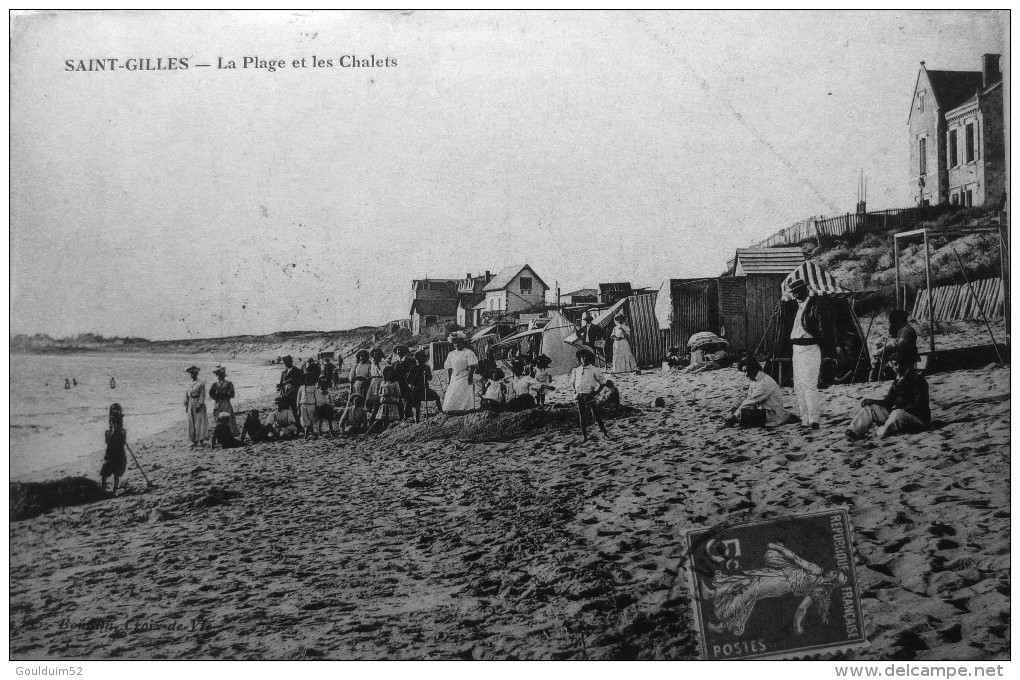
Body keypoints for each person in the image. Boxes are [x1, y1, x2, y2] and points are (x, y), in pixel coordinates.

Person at [700, 542, 847, 637]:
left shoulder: (817, 571)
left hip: (781, 581)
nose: (832, 571)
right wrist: (797, 624)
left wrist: (778, 548)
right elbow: (802, 608)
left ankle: (723, 620)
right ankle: (714, 593)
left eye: (835, 573)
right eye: (835, 570)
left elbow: (796, 559)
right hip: (780, 579)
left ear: (831, 579)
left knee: (748, 593)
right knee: (745, 582)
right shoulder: (820, 590)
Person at [846, 350, 930, 441]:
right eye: (895, 364)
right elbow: (888, 401)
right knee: (871, 408)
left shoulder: (917, 380)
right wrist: (871, 401)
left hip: (917, 418)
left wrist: (900, 408)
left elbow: (920, 405)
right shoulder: (897, 381)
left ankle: (880, 432)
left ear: (906, 364)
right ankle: (855, 431)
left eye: (900, 364)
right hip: (898, 413)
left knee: (897, 414)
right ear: (891, 365)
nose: (897, 367)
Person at [788, 278, 827, 430]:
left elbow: (823, 329)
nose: (795, 295)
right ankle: (805, 420)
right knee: (798, 385)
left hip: (809, 348)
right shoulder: (799, 307)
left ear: (805, 290)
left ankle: (814, 420)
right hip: (797, 349)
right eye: (794, 293)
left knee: (809, 384)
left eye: (798, 292)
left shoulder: (815, 306)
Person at [724, 356, 793, 428]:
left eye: (747, 371)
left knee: (744, 415)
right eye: (744, 372)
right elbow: (748, 397)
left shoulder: (765, 382)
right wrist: (735, 406)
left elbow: (751, 401)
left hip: (773, 414)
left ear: (754, 368)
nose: (746, 374)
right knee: (737, 407)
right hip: (763, 411)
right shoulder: (755, 381)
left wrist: (734, 417)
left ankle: (788, 418)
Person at [570, 346, 610, 441]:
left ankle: (605, 433)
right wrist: (575, 391)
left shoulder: (594, 369)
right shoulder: (576, 370)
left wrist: (596, 392)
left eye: (586, 356)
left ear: (589, 358)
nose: (584, 358)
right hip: (579, 395)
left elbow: (602, 382)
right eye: (582, 357)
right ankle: (584, 436)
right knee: (582, 417)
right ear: (579, 358)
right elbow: (572, 382)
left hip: (589, 395)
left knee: (596, 415)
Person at [871, 309, 919, 380]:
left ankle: (885, 376)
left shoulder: (906, 330)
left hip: (907, 354)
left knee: (882, 357)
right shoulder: (903, 329)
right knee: (880, 355)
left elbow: (901, 344)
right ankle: (882, 374)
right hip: (904, 352)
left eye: (893, 322)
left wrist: (886, 347)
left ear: (898, 321)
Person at [443, 332, 479, 412]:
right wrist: (449, 379)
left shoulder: (468, 352)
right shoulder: (451, 354)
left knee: (464, 392)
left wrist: (470, 377)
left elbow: (472, 366)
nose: (456, 344)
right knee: (452, 392)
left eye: (459, 342)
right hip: (454, 376)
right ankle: (452, 409)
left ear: (463, 343)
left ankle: (464, 409)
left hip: (465, 375)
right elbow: (448, 368)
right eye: (455, 343)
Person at [406, 350, 443, 422]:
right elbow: (408, 381)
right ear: (417, 359)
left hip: (426, 389)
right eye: (420, 358)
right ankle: (417, 421)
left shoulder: (427, 367)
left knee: (437, 397)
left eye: (423, 358)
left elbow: (430, 378)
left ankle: (442, 414)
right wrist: (412, 387)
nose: (422, 360)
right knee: (417, 406)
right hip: (416, 390)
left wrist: (427, 374)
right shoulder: (413, 368)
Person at [101, 404, 127, 494]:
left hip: (119, 455)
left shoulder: (122, 431)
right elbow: (108, 442)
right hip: (110, 455)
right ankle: (103, 489)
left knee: (116, 474)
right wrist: (112, 433)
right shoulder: (108, 432)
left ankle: (114, 492)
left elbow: (122, 443)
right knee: (104, 473)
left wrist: (117, 433)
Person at [368, 366, 403, 433]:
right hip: (384, 403)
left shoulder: (395, 382)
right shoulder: (383, 382)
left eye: (390, 374)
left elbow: (399, 393)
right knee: (382, 419)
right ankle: (382, 430)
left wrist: (391, 394)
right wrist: (383, 395)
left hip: (392, 403)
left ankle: (390, 431)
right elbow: (379, 393)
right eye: (387, 374)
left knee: (391, 419)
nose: (388, 376)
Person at [209, 366, 239, 439]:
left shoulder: (229, 383)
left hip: (226, 402)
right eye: (218, 374)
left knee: (228, 417)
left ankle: (230, 433)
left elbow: (232, 394)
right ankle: (220, 435)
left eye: (221, 374)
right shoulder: (215, 384)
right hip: (218, 403)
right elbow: (211, 393)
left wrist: (225, 395)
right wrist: (217, 396)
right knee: (218, 418)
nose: (220, 376)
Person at [184, 366, 209, 448]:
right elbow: (186, 395)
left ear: (197, 374)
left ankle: (200, 439)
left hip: (197, 401)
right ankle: (192, 439)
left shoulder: (200, 383)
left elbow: (202, 394)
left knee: (199, 421)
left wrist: (199, 404)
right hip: (191, 402)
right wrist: (186, 404)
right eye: (191, 373)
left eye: (194, 373)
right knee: (191, 421)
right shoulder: (188, 383)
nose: (192, 375)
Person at [276, 355, 303, 430]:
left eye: (287, 362)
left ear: (291, 361)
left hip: (294, 394)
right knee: (286, 410)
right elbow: (281, 382)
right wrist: (279, 386)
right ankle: (290, 427)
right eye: (285, 362)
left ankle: (298, 426)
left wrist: (292, 385)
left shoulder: (297, 371)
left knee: (295, 410)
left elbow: (300, 383)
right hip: (285, 394)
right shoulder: (284, 372)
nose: (286, 363)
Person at [390, 345, 416, 419]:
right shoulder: (394, 364)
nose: (399, 351)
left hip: (407, 383)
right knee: (398, 400)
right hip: (397, 384)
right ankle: (400, 416)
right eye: (398, 350)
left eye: (401, 350)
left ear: (405, 352)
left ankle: (408, 415)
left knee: (408, 398)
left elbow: (414, 373)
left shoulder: (411, 362)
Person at [296, 373, 325, 439]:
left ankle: (306, 436)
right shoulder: (301, 387)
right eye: (306, 378)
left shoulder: (314, 388)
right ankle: (312, 434)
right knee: (305, 421)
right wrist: (298, 407)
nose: (307, 380)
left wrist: (318, 406)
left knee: (311, 420)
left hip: (311, 405)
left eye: (309, 378)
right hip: (303, 405)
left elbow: (317, 397)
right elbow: (298, 397)